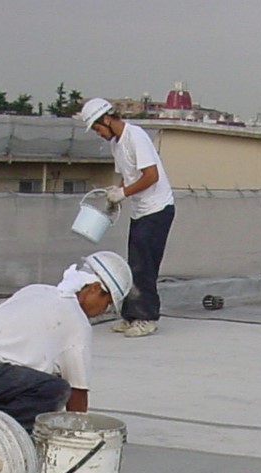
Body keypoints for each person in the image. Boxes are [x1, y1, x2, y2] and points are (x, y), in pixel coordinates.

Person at [0, 251, 131, 431]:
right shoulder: (76, 321)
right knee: (55, 389)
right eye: (106, 304)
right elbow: (77, 392)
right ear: (95, 289)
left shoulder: (37, 290)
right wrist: (78, 435)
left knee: (47, 380)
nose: (104, 310)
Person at [78, 98, 175, 339]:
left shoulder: (136, 136)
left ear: (108, 119)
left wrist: (124, 193)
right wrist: (117, 194)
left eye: (98, 128)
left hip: (157, 209)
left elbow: (150, 175)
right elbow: (128, 177)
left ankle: (148, 318)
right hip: (141, 210)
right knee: (135, 264)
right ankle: (131, 316)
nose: (98, 133)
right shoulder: (116, 144)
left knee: (146, 266)